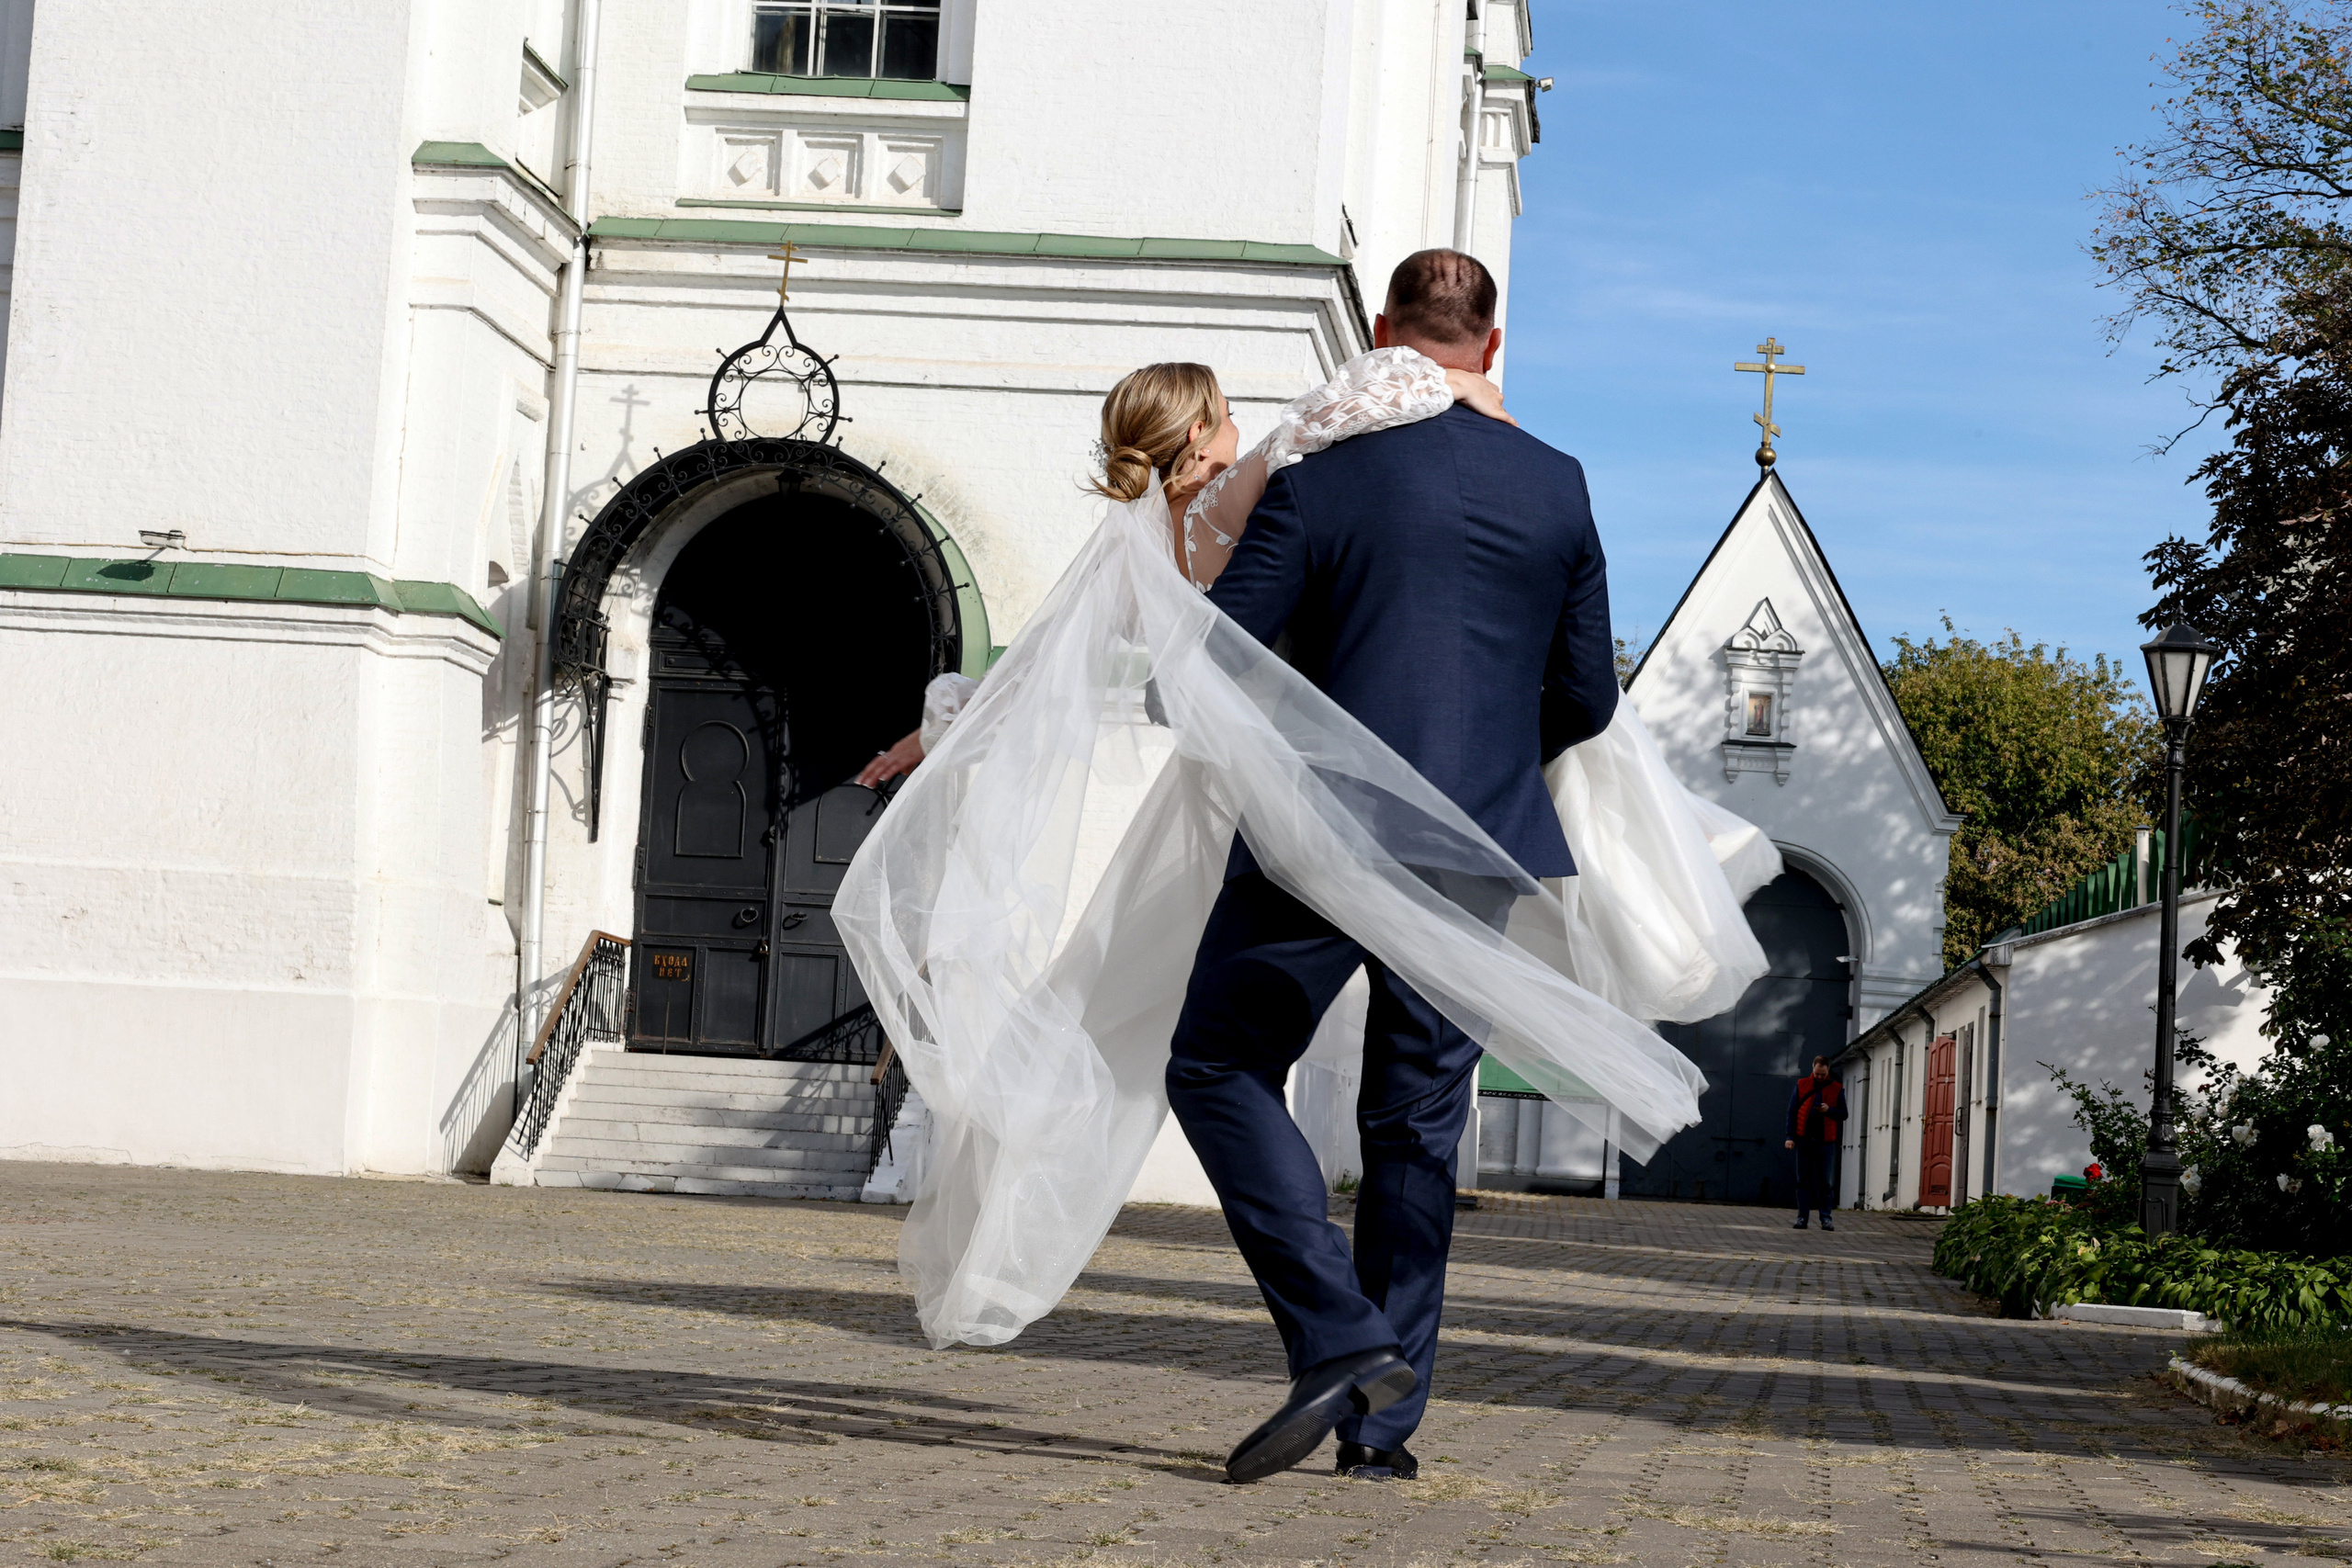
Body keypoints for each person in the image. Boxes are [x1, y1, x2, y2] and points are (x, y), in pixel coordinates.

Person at [833, 249, 1781, 1493]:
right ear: (1490, 348)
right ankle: (1380, 1438)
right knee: (1416, 1130)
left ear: (1383, 330)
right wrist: (1484, 771)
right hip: (1481, 847)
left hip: (1317, 838)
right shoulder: (1559, 484)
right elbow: (1587, 696)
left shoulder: (1323, 467)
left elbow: (1216, 656)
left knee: (1216, 1063)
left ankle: (1337, 1333)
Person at [1786, 1055, 1847, 1231]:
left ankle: (1826, 1218)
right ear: (1813, 1069)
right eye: (1817, 1074)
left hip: (1825, 1142)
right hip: (1804, 1139)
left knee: (1825, 1183)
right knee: (1802, 1181)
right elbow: (1792, 1112)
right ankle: (1802, 1218)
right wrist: (1790, 1137)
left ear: (1828, 1071)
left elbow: (1843, 1114)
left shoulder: (1836, 1088)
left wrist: (1829, 1110)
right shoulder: (1802, 1085)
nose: (1820, 1077)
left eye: (1823, 1074)